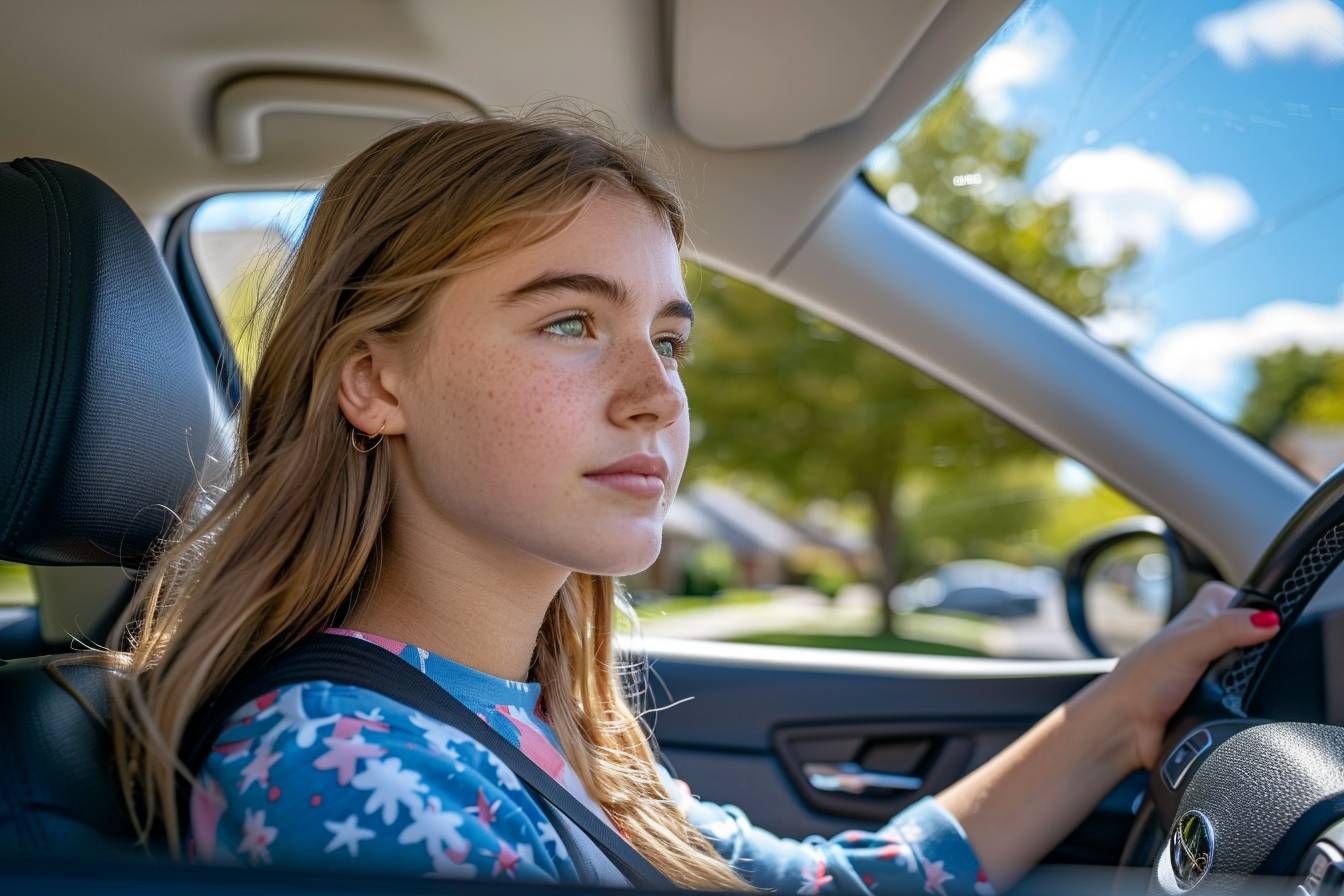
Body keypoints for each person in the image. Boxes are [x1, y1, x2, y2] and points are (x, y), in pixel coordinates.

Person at [101, 109, 1281, 894]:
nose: (656, 393)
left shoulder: (539, 722)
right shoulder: (350, 773)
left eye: (668, 339)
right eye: (572, 320)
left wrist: (1121, 711)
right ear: (374, 380)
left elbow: (840, 882)